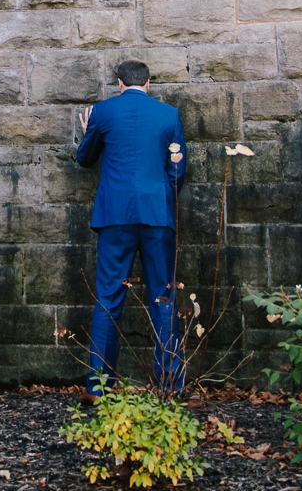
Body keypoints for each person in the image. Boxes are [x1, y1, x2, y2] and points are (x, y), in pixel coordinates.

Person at [74, 59, 187, 399]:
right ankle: (169, 387)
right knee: (163, 299)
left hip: (116, 216)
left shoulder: (103, 112)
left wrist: (86, 134)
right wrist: (161, 196)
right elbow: (178, 170)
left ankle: (99, 386)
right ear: (148, 83)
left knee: (108, 298)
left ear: (120, 83)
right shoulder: (169, 115)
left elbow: (84, 158)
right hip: (157, 215)